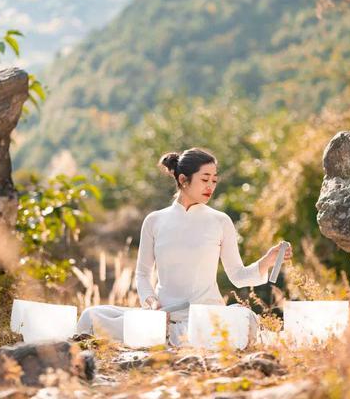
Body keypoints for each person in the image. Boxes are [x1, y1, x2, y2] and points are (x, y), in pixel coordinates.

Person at [75, 147, 292, 345]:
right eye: (205, 179)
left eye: (214, 180)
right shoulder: (154, 220)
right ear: (183, 179)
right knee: (91, 316)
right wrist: (152, 305)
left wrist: (267, 261)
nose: (211, 186)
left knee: (244, 320)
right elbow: (142, 274)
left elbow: (238, 276)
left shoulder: (220, 221)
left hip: (206, 317)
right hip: (162, 316)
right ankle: (165, 334)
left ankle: (167, 337)